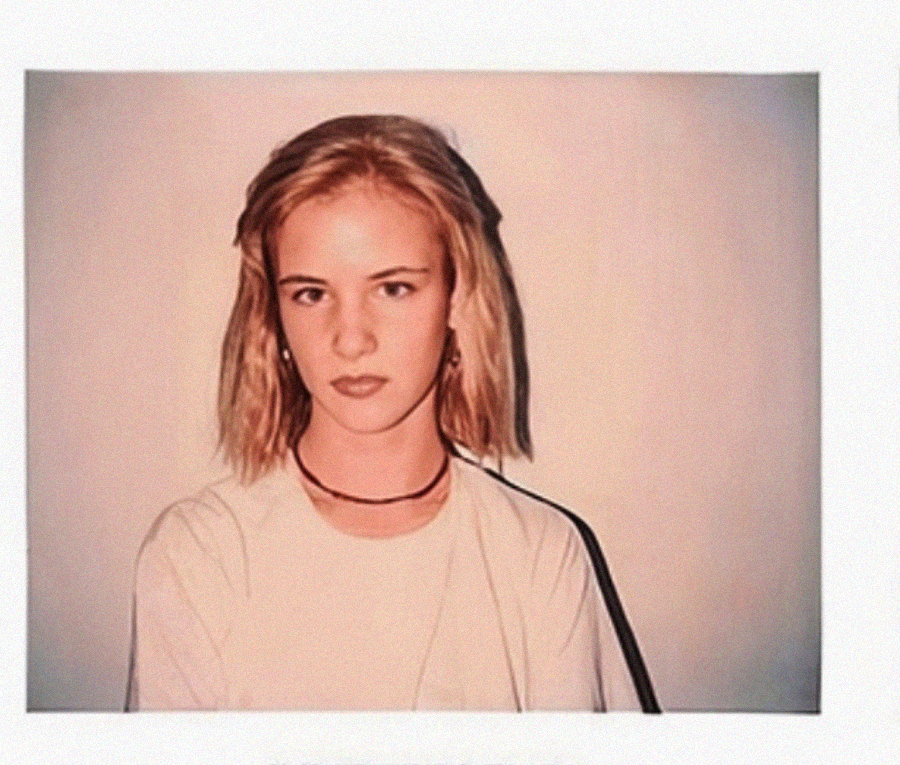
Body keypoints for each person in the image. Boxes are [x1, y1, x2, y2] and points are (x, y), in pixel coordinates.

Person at [126, 115, 655, 711]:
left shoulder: (539, 554)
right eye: (311, 293)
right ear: (273, 315)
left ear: (457, 296)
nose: (350, 340)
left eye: (394, 288)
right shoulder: (201, 554)